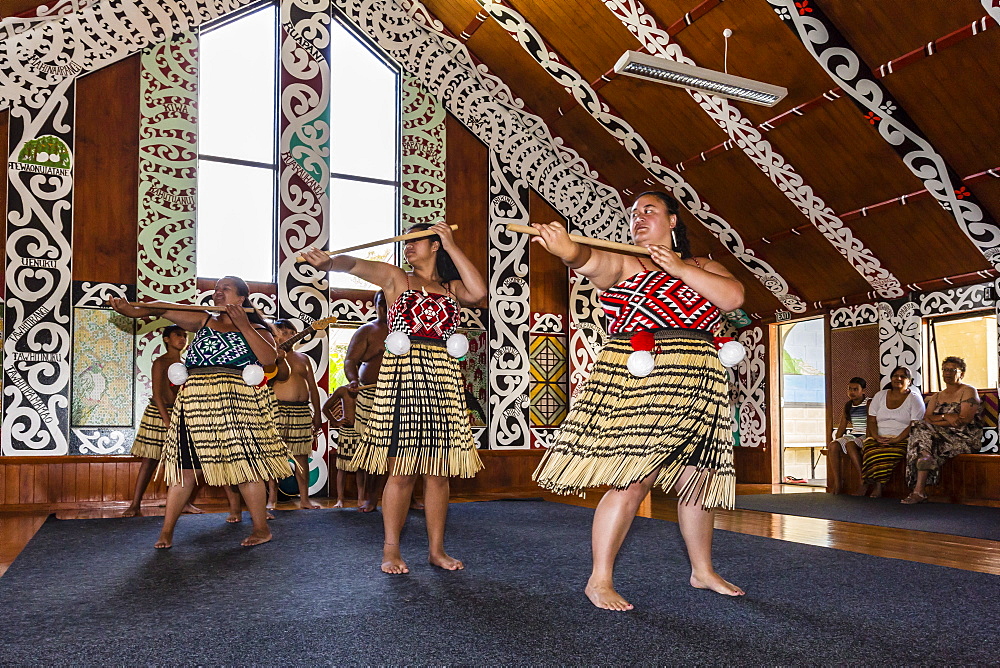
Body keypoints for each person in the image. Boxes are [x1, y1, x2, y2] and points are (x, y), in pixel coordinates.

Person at [531, 191, 746, 611]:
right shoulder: (627, 261)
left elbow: (733, 299)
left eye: (649, 210)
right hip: (646, 379)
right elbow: (590, 261)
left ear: (672, 220)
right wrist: (568, 250)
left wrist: (680, 267)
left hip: (701, 378)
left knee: (697, 479)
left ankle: (701, 570)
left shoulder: (703, 265)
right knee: (632, 479)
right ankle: (599, 579)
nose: (638, 217)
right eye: (633, 214)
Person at [302, 221, 487, 574]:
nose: (408, 246)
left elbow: (478, 292)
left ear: (435, 246)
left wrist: (451, 243)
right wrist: (328, 263)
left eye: (416, 240)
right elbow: (354, 265)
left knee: (439, 473)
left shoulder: (450, 289)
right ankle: (391, 549)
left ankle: (436, 549)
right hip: (403, 378)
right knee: (401, 470)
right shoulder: (396, 279)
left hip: (443, 379)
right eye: (405, 241)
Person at [109, 276, 292, 548]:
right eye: (215, 289)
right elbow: (163, 307)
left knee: (246, 470)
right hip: (195, 404)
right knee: (186, 471)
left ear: (240, 299)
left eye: (224, 289)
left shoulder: (256, 328)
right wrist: (134, 310)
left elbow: (268, 359)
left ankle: (261, 528)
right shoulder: (204, 320)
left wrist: (243, 325)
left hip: (236, 404)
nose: (217, 293)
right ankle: (166, 531)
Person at [122, 325, 203, 517]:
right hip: (159, 414)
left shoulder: (186, 364)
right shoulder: (160, 362)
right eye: (177, 335)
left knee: (184, 461)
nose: (182, 339)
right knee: (150, 460)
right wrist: (168, 422)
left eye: (184, 335)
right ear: (166, 339)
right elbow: (157, 396)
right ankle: (135, 504)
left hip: (180, 413)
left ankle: (184, 502)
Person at [901, 357, 982, 504]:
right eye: (945, 369)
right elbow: (926, 419)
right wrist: (947, 416)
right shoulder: (937, 396)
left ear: (962, 374)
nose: (948, 373)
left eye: (953, 370)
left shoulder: (969, 391)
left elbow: (962, 421)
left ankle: (920, 483)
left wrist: (940, 419)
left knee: (920, 435)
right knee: (919, 429)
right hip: (937, 438)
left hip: (963, 439)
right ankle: (922, 475)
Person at [272, 319, 323, 510]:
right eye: (283, 333)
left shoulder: (303, 359)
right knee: (274, 455)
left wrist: (317, 414)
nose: (288, 336)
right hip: (277, 410)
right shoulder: (269, 359)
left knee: (301, 455)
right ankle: (272, 499)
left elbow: (313, 388)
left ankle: (304, 499)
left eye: (291, 332)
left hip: (302, 411)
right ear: (275, 337)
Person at [860, 366, 926, 498]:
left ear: (910, 381)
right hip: (879, 437)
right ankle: (875, 485)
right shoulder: (879, 396)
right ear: (890, 379)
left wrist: (897, 439)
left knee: (889, 452)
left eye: (903, 376)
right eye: (895, 375)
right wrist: (876, 437)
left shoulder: (915, 399)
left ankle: (878, 485)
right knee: (870, 449)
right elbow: (871, 421)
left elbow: (914, 424)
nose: (898, 378)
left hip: (903, 438)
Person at [827, 377, 869, 495]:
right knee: (833, 446)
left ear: (863, 391)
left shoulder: (869, 403)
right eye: (850, 389)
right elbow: (842, 426)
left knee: (851, 445)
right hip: (854, 434)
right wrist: (837, 441)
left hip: (866, 434)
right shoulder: (848, 405)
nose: (852, 392)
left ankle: (863, 479)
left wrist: (871, 439)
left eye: (855, 389)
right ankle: (837, 482)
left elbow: (872, 422)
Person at [323, 383, 357, 508]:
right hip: (346, 431)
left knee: (361, 468)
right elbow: (325, 408)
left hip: (360, 431)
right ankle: (340, 499)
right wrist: (334, 421)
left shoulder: (366, 390)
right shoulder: (342, 390)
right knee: (342, 466)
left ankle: (362, 498)